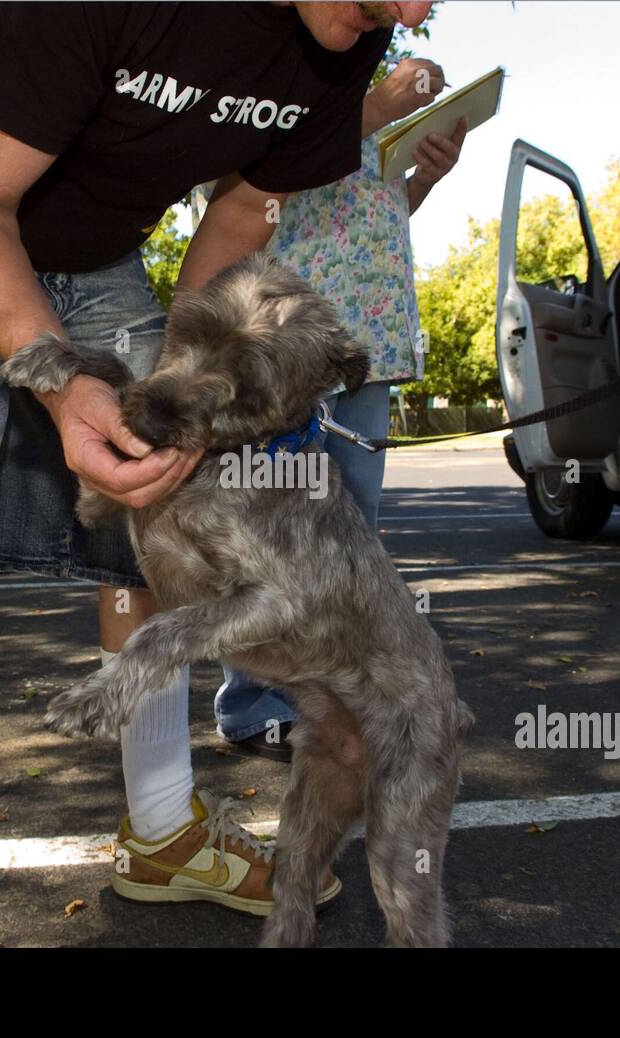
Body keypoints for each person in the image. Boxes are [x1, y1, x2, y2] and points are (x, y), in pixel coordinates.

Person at [0, 0, 432, 948]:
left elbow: (239, 214)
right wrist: (64, 384)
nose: (417, 10)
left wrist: (189, 384)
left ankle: (161, 833)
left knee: (156, 499)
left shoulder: (348, 41)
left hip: (100, 240)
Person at [195, 58, 465, 759]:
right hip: (283, 333)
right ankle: (255, 706)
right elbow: (226, 188)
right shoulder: (266, 67)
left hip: (368, 337)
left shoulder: (359, 87)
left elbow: (373, 213)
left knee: (350, 536)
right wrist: (372, 111)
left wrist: (423, 177)